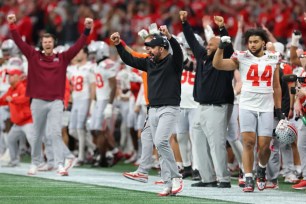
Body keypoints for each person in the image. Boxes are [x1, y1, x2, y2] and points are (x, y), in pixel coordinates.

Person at [7, 13, 93, 176]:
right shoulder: (33, 56)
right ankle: (35, 163)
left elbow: (77, 46)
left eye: (50, 41)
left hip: (55, 101)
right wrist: (12, 25)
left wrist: (87, 30)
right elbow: (18, 42)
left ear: (54, 43)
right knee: (37, 134)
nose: (47, 43)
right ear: (42, 44)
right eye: (45, 42)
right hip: (38, 101)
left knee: (55, 133)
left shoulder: (62, 58)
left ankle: (60, 164)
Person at [110, 25, 184, 196]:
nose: (149, 51)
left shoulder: (173, 62)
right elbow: (130, 60)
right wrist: (119, 45)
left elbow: (178, 52)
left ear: (162, 48)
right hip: (153, 108)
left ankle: (176, 176)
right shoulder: (150, 63)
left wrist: (170, 37)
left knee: (161, 142)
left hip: (169, 108)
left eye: (151, 48)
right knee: (150, 139)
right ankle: (165, 183)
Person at [212, 28, 283, 192]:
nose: (252, 44)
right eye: (250, 41)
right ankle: (248, 176)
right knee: (248, 143)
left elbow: (277, 86)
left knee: (265, 146)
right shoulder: (241, 56)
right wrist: (221, 48)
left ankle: (262, 168)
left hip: (266, 106)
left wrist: (278, 108)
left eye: (255, 41)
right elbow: (218, 64)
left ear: (263, 43)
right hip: (246, 105)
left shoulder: (273, 57)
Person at [180, 11, 234, 188]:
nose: (208, 46)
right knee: (199, 142)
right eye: (208, 44)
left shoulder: (226, 58)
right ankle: (208, 177)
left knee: (217, 143)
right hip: (201, 106)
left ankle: (223, 179)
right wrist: (185, 23)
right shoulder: (203, 57)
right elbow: (192, 41)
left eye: (212, 44)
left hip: (218, 106)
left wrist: (222, 28)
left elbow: (227, 44)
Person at [0, 64, 33, 167]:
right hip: (18, 123)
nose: (9, 78)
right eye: (9, 76)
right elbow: (3, 100)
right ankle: (14, 161)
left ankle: (40, 162)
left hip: (28, 121)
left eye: (12, 75)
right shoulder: (11, 89)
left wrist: (13, 99)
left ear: (18, 77)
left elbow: (26, 98)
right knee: (10, 139)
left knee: (33, 140)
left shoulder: (22, 87)